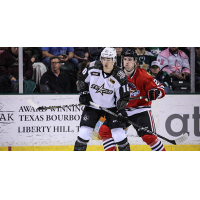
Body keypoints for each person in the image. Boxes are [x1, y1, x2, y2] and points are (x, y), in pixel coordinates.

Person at [98, 49, 166, 151]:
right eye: (125, 59)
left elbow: (161, 89)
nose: (126, 62)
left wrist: (155, 93)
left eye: (130, 59)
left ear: (135, 62)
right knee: (104, 130)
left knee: (149, 137)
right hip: (122, 110)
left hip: (140, 109)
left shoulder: (144, 75)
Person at [74, 47, 130, 151]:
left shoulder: (119, 76)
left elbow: (123, 96)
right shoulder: (92, 67)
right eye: (104, 58)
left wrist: (122, 110)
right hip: (93, 105)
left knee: (118, 134)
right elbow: (81, 79)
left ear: (114, 60)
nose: (106, 62)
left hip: (111, 108)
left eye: (108, 59)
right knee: (84, 133)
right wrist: (83, 93)